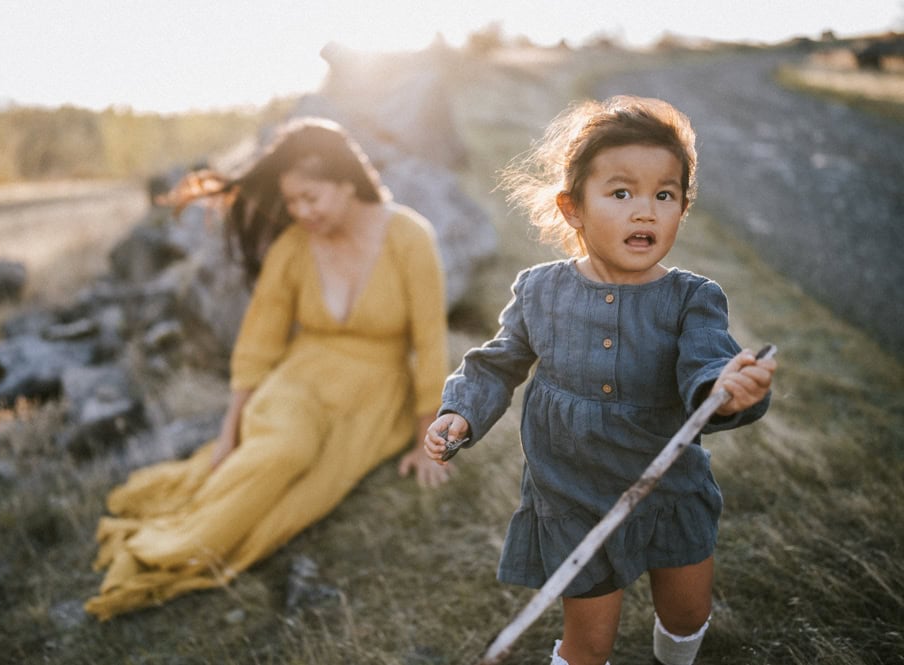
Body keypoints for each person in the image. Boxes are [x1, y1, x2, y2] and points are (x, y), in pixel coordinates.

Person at [424, 96, 776, 665]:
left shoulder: (692, 299)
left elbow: (707, 364)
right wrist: (459, 412)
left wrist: (727, 391)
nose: (646, 211)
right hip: (572, 492)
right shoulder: (539, 290)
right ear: (573, 209)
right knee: (588, 640)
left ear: (681, 209)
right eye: (621, 193)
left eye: (664, 195)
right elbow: (498, 361)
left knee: (687, 612)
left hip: (666, 488)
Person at [85, 117, 452, 621]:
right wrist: (228, 434)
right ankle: (170, 548)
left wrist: (425, 442)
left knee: (305, 495)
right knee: (284, 449)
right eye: (292, 201)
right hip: (298, 382)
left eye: (311, 198)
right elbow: (258, 343)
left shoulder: (410, 235)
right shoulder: (293, 246)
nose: (301, 212)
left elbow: (429, 343)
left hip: (373, 400)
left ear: (348, 181)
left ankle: (206, 540)